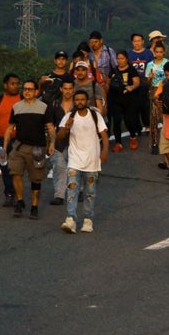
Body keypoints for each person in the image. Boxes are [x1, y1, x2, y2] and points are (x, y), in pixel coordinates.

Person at [57, 89, 108, 234]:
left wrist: (104, 150)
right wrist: (67, 127)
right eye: (77, 99)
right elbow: (59, 136)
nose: (79, 102)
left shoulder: (95, 115)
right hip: (75, 160)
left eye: (82, 100)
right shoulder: (69, 116)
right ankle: (70, 218)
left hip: (92, 160)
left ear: (87, 101)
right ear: (74, 101)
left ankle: (88, 219)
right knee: (72, 189)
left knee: (90, 192)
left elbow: (103, 134)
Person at [3, 80, 55, 219]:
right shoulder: (17, 107)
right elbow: (10, 128)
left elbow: (50, 127)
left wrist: (52, 144)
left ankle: (34, 206)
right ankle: (20, 201)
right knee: (15, 173)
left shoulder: (43, 107)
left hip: (37, 148)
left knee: (36, 178)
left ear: (36, 91)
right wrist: (4, 146)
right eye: (25, 89)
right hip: (19, 146)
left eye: (30, 89)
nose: (27, 91)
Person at [0, 73, 21, 205]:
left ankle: (19, 194)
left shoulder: (22, 98)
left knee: (17, 168)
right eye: (12, 84)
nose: (15, 86)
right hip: (1, 138)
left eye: (17, 83)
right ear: (5, 85)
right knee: (5, 167)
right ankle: (9, 193)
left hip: (18, 139)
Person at [107, 50, 142, 153]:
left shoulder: (132, 70)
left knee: (129, 120)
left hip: (129, 100)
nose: (120, 61)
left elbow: (137, 82)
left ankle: (132, 136)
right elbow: (108, 83)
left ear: (126, 59)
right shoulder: (113, 71)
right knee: (116, 121)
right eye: (118, 58)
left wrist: (132, 87)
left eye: (122, 58)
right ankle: (118, 143)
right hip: (115, 100)